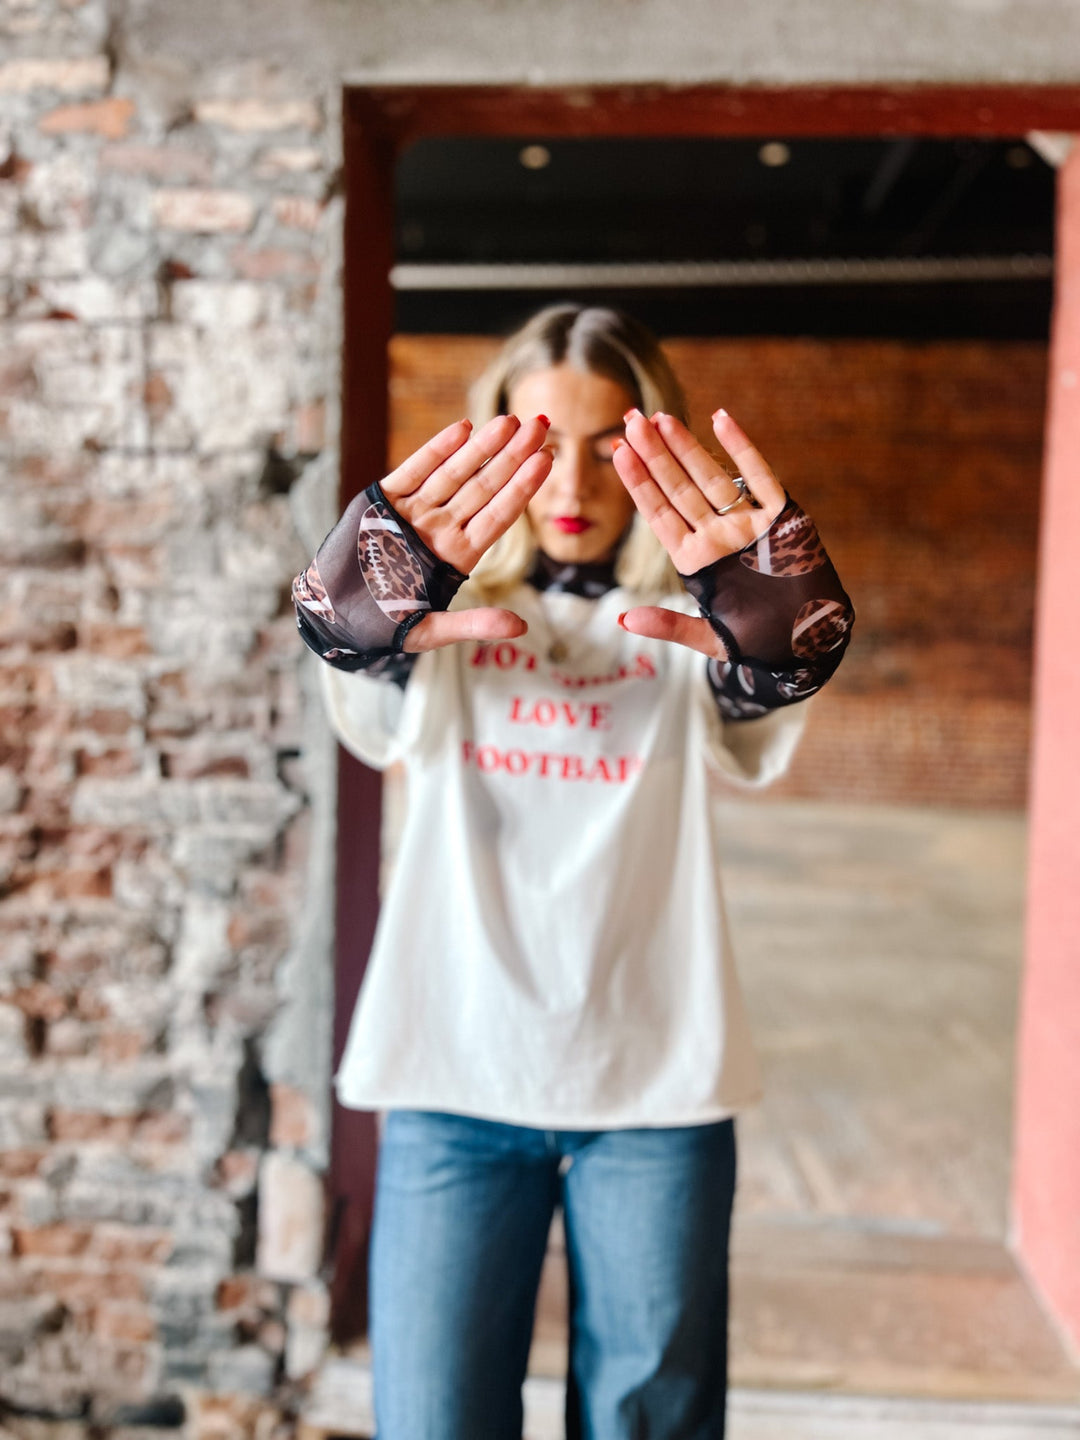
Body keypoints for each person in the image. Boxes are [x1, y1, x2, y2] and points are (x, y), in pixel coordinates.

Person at [292, 305, 854, 1440]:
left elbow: (748, 709)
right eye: (545, 441)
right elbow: (369, 696)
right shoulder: (438, 626)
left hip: (655, 1086)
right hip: (454, 1073)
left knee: (652, 1422)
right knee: (434, 1420)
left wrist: (783, 653)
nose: (578, 483)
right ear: (496, 437)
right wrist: (360, 625)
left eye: (610, 448)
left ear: (656, 453)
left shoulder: (689, 631)